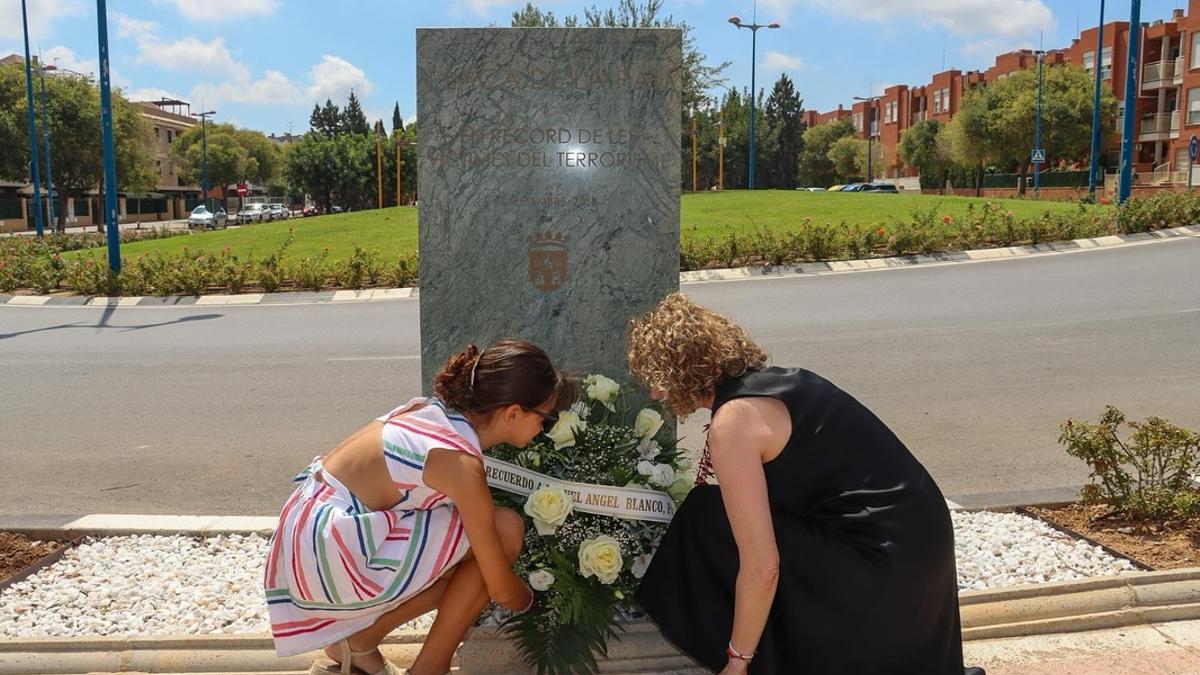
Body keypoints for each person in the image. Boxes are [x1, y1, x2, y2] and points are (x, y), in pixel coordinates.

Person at [627, 293, 980, 675]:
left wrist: (737, 660)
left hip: (881, 563)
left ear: (678, 372)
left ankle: (762, 656)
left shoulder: (734, 421)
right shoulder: (785, 382)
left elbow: (764, 566)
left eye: (655, 380)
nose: (654, 394)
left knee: (705, 516)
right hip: (925, 542)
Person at [263, 339, 577, 675]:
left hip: (311, 537)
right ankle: (428, 668)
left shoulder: (436, 414)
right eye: (546, 417)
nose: (546, 427)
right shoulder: (459, 463)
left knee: (475, 552)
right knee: (503, 532)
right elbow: (501, 588)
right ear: (514, 412)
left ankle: (360, 642)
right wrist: (537, 602)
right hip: (332, 555)